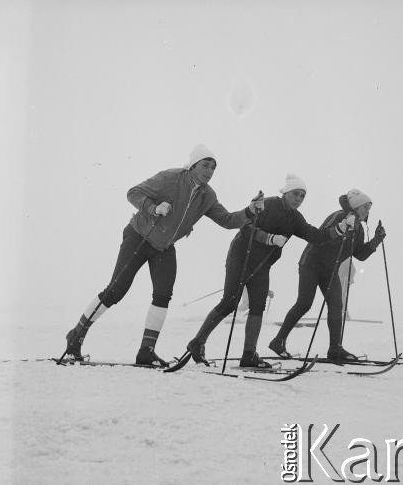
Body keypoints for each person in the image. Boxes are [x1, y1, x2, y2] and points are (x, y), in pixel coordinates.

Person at [65, 144, 263, 366]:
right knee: (115, 291)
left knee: (163, 294)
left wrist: (249, 211)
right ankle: (76, 336)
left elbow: (226, 220)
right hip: (139, 236)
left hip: (164, 247)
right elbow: (133, 193)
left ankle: (146, 351)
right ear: (193, 165)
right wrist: (154, 208)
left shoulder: (208, 196)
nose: (209, 171)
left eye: (213, 168)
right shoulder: (170, 178)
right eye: (205, 165)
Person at [186, 174, 353, 369]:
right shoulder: (269, 204)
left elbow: (315, 236)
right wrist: (269, 238)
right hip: (241, 258)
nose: (298, 199)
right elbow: (246, 226)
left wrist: (340, 229)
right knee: (229, 302)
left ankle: (249, 354)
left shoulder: (295, 218)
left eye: (302, 196)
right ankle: (197, 342)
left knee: (258, 306)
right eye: (295, 194)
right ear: (285, 193)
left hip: (263, 265)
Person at [268, 189, 386, 362]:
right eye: (365, 206)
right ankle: (278, 341)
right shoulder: (339, 216)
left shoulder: (359, 228)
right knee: (304, 303)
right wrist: (343, 230)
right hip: (311, 264)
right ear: (356, 206)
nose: (368, 210)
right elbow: (322, 236)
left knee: (336, 305)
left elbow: (360, 254)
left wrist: (376, 239)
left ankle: (335, 348)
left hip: (330, 268)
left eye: (370, 207)